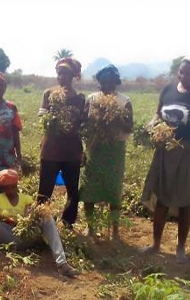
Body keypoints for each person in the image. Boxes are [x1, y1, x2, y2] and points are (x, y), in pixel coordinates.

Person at [141, 57, 190, 263]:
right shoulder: (168, 89)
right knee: (162, 197)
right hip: (165, 151)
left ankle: (181, 248)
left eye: (188, 73)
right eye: (181, 72)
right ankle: (155, 244)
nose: (183, 76)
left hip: (189, 152)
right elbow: (157, 114)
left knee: (185, 200)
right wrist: (152, 127)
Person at [0, 169, 79, 278]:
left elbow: (31, 216)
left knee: (47, 217)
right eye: (6, 187)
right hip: (4, 234)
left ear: (16, 185)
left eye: (12, 187)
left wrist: (30, 214)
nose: (10, 190)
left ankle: (62, 263)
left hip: (24, 236)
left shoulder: (27, 198)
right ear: (2, 187)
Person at [80, 65, 133, 239]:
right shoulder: (92, 99)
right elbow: (83, 124)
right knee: (90, 189)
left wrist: (117, 118)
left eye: (111, 81)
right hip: (95, 148)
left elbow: (129, 127)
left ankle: (115, 230)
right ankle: (91, 227)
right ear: (99, 82)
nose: (107, 85)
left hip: (115, 151)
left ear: (116, 82)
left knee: (113, 190)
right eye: (104, 81)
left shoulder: (124, 101)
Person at [37, 58, 86, 228]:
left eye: (66, 74)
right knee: (45, 189)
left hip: (72, 151)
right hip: (51, 149)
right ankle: (41, 221)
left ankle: (67, 222)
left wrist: (83, 150)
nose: (62, 77)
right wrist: (54, 121)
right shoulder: (49, 94)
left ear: (73, 76)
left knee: (73, 190)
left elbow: (83, 125)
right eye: (59, 73)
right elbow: (42, 116)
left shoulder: (80, 98)